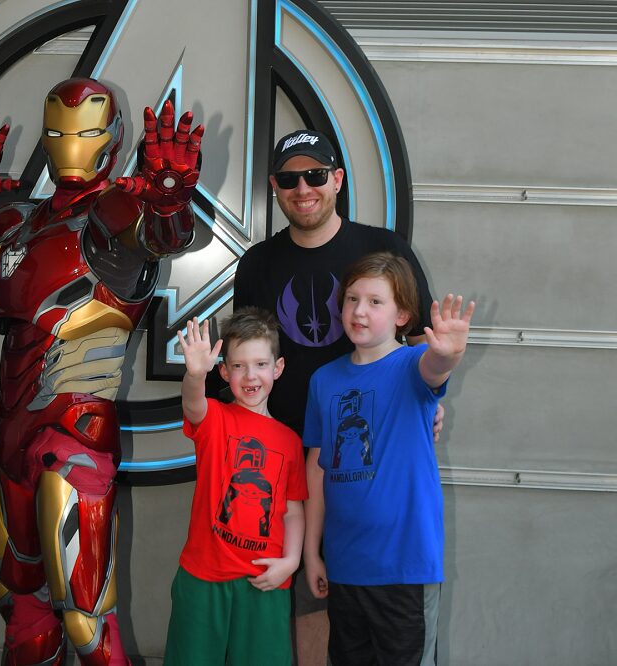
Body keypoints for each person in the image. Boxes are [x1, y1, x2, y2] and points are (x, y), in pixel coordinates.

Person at [0, 78, 203, 665]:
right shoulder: (17, 224)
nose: (68, 144)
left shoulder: (114, 212)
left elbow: (161, 237)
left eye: (82, 132)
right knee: (15, 599)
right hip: (9, 436)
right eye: (56, 132)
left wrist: (171, 197)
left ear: (111, 137)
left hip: (74, 432)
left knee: (85, 618)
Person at [232, 128, 437, 663]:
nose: (304, 188)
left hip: (362, 469)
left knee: (377, 615)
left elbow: (425, 347)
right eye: (290, 179)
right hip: (281, 463)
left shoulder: (383, 248)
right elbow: (241, 360)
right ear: (275, 187)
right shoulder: (256, 263)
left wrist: (427, 407)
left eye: (316, 176)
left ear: (337, 180)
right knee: (299, 596)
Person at [302, 252, 475, 664]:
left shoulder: (411, 365)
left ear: (402, 315)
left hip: (404, 569)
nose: (359, 310)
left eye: (375, 302)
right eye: (351, 299)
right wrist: (312, 551)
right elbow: (317, 469)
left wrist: (449, 354)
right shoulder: (324, 380)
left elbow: (436, 368)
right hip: (345, 567)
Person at [164, 309, 307, 665]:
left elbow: (293, 510)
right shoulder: (215, 418)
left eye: (260, 364)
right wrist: (195, 374)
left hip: (265, 579)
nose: (250, 375)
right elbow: (192, 404)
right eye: (239, 366)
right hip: (204, 577)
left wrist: (290, 561)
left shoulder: (289, 441)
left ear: (278, 367)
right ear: (224, 372)